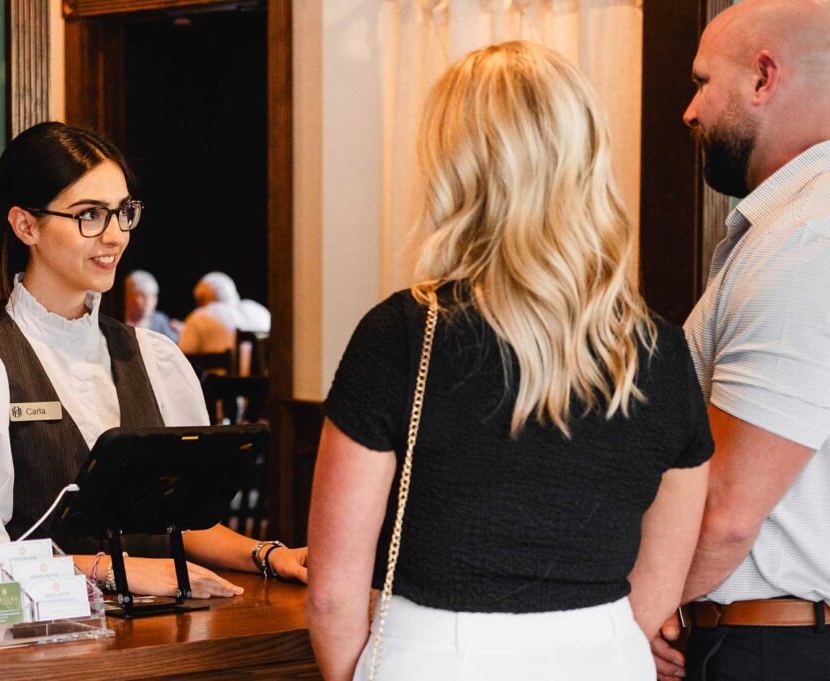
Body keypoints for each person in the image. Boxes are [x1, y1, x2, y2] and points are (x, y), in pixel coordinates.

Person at [306, 41, 714, 681]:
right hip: (605, 654)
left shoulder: (402, 334)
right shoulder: (660, 350)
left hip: (436, 654)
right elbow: (658, 588)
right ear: (587, 159)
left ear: (453, 166)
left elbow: (331, 594)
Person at [0, 122, 306, 598]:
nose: (115, 236)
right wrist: (109, 570)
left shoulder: (155, 357)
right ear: (25, 225)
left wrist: (268, 554)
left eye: (123, 212)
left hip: (164, 633)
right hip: (46, 646)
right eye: (90, 215)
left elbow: (181, 522)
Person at [650, 1, 830, 678]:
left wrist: (637, 614)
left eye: (701, 83)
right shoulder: (792, 227)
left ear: (763, 78)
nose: (690, 112)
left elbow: (726, 511)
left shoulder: (809, 237)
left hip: (770, 649)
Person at [178, 271, 270, 355]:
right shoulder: (259, 310)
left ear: (203, 298)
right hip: (268, 372)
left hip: (223, 372)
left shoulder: (200, 316)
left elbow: (183, 356)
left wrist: (185, 331)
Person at [124, 269, 180, 343]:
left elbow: (176, 344)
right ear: (129, 296)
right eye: (142, 295)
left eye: (153, 296)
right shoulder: (117, 320)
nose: (148, 302)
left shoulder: (160, 321)